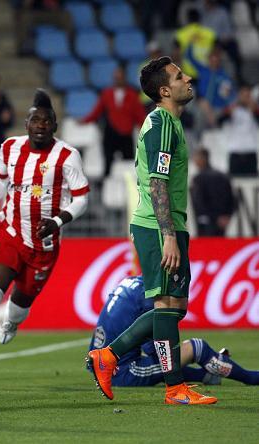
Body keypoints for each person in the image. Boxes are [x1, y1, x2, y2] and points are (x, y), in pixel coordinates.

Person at [87, 56, 219, 405]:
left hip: (168, 224)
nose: (188, 77)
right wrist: (170, 236)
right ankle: (173, 388)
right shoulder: (161, 123)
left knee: (173, 308)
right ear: (165, 90)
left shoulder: (169, 123)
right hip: (160, 226)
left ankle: (109, 356)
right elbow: (158, 183)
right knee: (167, 305)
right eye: (179, 76)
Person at [0, 89, 90, 389]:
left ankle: (13, 321)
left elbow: (82, 198)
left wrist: (58, 221)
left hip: (43, 245)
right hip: (10, 232)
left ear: (54, 126)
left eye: (47, 121)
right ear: (27, 123)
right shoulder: (9, 148)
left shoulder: (67, 156)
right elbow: (0, 178)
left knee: (20, 304)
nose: (41, 125)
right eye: (35, 120)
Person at [88, 276, 259, 387]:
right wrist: (195, 354)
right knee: (197, 347)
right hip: (121, 373)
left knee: (173, 360)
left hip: (100, 363)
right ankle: (250, 378)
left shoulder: (130, 282)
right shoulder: (149, 297)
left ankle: (207, 375)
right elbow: (159, 354)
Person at [80, 65, 146, 177]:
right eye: (116, 77)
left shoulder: (132, 95)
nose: (118, 79)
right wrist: (84, 120)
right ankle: (107, 188)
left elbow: (140, 115)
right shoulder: (107, 94)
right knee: (108, 162)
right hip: (110, 133)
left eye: (120, 77)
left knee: (128, 163)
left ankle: (130, 188)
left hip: (126, 133)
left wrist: (146, 128)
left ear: (124, 78)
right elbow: (97, 111)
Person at [190, 148, 235, 237]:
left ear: (203, 159)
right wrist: (226, 215)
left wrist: (212, 217)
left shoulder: (198, 178)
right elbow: (231, 198)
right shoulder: (223, 176)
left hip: (206, 222)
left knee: (207, 248)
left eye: (196, 158)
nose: (194, 161)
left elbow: (199, 203)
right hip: (221, 221)